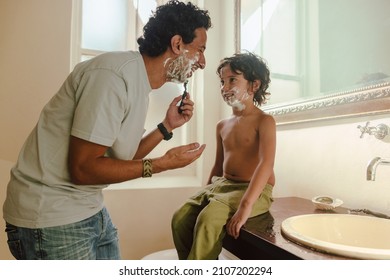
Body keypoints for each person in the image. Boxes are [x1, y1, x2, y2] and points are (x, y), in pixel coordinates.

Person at [3, 0, 211, 260]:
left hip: (89, 208)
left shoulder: (140, 83)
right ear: (178, 44)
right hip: (50, 218)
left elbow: (121, 157)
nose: (202, 62)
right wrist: (162, 164)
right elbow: (83, 168)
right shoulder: (113, 75)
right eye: (200, 50)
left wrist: (166, 127)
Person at [171, 52, 276, 260]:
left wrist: (246, 207)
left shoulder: (264, 121)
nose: (224, 87)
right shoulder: (222, 125)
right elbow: (219, 167)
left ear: (254, 85)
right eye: (222, 81)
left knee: (208, 220)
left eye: (232, 80)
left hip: (255, 190)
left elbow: (266, 164)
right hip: (223, 185)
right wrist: (206, 193)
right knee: (180, 218)